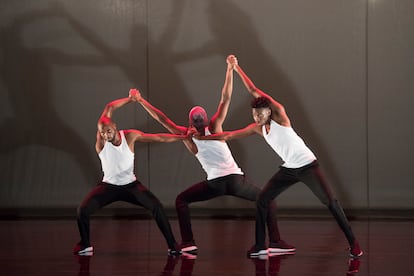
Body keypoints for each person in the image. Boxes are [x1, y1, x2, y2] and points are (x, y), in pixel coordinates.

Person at [195, 56, 363, 258]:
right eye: (254, 114)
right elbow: (229, 135)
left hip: (308, 165)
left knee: (330, 203)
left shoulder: (281, 116)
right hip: (289, 169)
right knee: (262, 200)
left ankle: (354, 244)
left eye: (260, 114)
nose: (257, 117)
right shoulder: (258, 128)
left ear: (268, 111)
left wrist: (236, 68)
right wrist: (206, 138)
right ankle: (260, 246)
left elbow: (254, 90)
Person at [131, 55, 294, 256]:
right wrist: (229, 69)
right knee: (268, 200)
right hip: (235, 180)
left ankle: (188, 242)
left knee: (182, 200)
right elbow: (225, 98)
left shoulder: (186, 135)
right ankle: (275, 241)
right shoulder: (214, 127)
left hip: (215, 184)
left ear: (191, 123)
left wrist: (140, 101)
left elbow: (162, 119)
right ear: (205, 120)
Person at [74, 89, 190, 256]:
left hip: (131, 186)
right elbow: (108, 108)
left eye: (108, 131)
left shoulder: (130, 137)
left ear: (115, 126)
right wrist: (129, 100)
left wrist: (182, 138)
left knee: (157, 207)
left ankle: (173, 246)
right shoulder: (101, 142)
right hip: (108, 187)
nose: (105, 135)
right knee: (82, 210)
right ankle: (85, 245)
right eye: (102, 132)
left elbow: (159, 138)